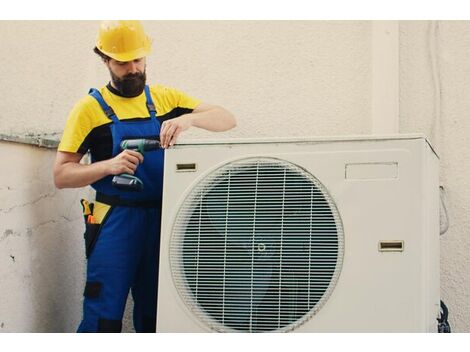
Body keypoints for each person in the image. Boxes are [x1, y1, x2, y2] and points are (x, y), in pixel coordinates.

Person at [53, 20, 236, 333]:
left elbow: (227, 119)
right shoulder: (89, 109)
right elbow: (61, 175)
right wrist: (108, 166)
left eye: (138, 60)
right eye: (122, 63)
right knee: (104, 317)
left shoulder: (164, 99)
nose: (133, 68)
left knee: (158, 316)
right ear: (106, 61)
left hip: (166, 220)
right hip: (114, 221)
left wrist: (189, 120)